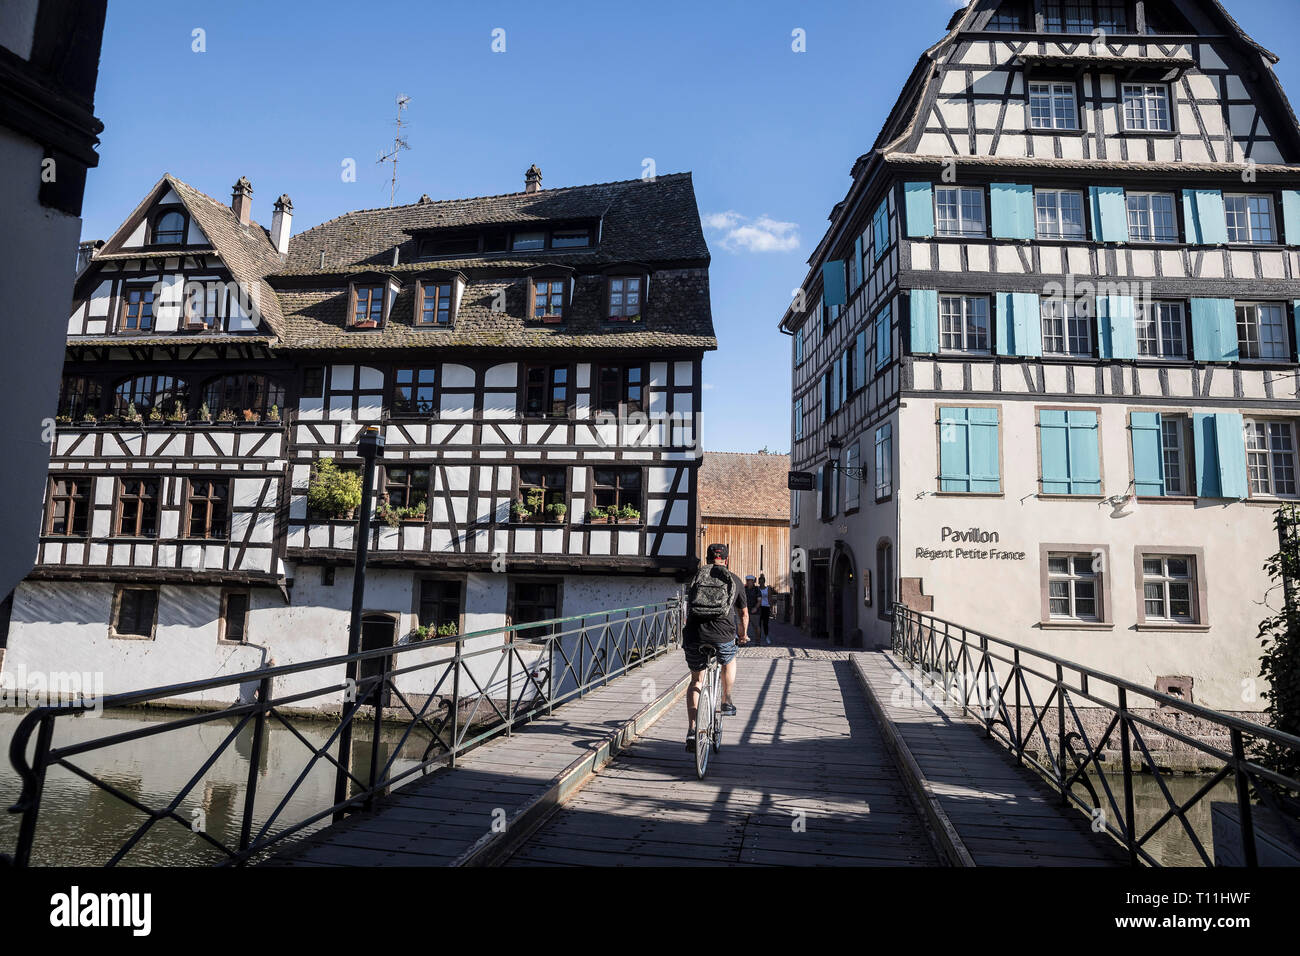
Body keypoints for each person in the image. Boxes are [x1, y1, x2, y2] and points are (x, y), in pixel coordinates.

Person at [683, 543, 748, 752]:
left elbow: (688, 607)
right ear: (726, 560)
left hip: (694, 634)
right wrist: (743, 635)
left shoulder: (696, 577)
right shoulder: (735, 580)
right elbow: (744, 614)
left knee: (696, 680)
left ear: (708, 559)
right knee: (729, 660)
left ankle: (692, 729)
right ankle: (727, 701)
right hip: (722, 634)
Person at [757, 574, 773, 645]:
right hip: (759, 607)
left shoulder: (767, 589)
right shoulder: (757, 589)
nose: (761, 583)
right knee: (758, 624)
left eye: (762, 582)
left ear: (764, 582)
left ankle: (767, 636)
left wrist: (771, 608)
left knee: (765, 623)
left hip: (766, 607)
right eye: (760, 582)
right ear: (758, 582)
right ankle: (758, 638)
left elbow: (770, 598)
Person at [743, 574, 760, 643]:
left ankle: (758, 640)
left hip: (754, 611)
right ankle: (743, 640)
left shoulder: (756, 590)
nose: (748, 582)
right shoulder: (744, 589)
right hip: (745, 610)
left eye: (749, 581)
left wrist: (756, 608)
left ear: (753, 581)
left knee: (756, 626)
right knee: (744, 626)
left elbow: (759, 600)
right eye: (747, 581)